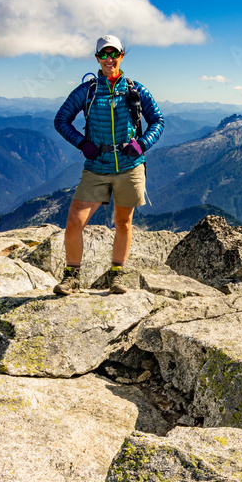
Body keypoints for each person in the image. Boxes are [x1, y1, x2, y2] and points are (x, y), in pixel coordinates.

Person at [52, 35, 165, 295]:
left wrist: (142, 144)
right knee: (74, 221)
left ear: (122, 56)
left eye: (113, 54)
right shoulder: (88, 91)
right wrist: (82, 144)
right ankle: (71, 277)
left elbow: (157, 121)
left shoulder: (135, 89)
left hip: (130, 165)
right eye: (104, 54)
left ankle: (116, 276)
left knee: (123, 222)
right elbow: (61, 120)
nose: (109, 59)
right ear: (97, 58)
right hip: (97, 166)